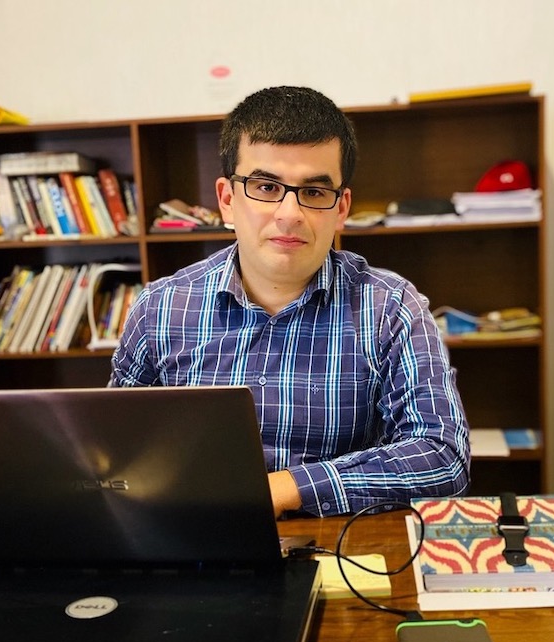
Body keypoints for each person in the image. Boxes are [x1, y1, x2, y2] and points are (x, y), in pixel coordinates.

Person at [110, 85, 470, 518]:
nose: (289, 213)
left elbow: (443, 456)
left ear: (341, 209)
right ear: (227, 200)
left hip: (345, 554)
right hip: (195, 547)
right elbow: (114, 457)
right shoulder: (159, 308)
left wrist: (285, 488)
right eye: (265, 187)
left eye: (314, 193)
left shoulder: (391, 307)